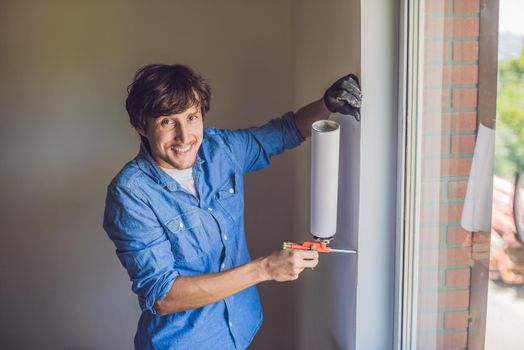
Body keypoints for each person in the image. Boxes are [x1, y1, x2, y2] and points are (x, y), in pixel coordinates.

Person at [103, 64, 361, 349]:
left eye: (192, 117)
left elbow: (286, 131)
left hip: (240, 329)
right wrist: (265, 269)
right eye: (167, 122)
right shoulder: (130, 194)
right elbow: (164, 297)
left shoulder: (220, 149)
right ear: (141, 125)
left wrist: (327, 104)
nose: (185, 136)